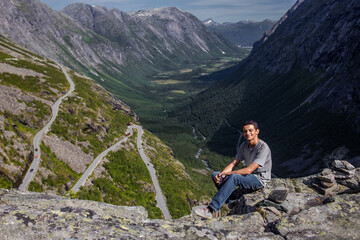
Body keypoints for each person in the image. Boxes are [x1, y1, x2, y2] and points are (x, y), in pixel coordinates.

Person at [193, 120, 272, 219]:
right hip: (248, 177)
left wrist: (229, 174)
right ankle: (232, 201)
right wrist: (222, 174)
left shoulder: (262, 148)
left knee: (234, 177)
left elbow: (249, 170)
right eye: (245, 131)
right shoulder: (244, 146)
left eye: (250, 130)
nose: (248, 133)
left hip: (259, 179)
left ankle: (211, 209)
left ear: (257, 131)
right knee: (215, 175)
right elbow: (234, 163)